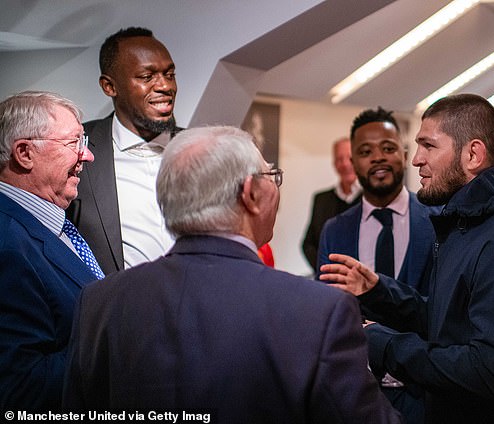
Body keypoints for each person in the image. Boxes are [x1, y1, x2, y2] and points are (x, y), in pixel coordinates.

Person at [62, 126, 401, 423]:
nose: (276, 187)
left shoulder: (99, 303)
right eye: (272, 176)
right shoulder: (319, 311)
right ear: (250, 194)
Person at [320, 94, 494, 424]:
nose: (416, 160)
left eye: (429, 146)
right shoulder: (467, 226)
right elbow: (447, 323)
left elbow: (493, 371)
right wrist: (380, 291)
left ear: (473, 155)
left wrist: (384, 343)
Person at [317, 107, 435, 424]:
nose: (378, 158)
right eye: (366, 152)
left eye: (388, 148)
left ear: (405, 154)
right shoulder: (336, 230)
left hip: (426, 393)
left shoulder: (436, 220)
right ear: (352, 162)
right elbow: (328, 312)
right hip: (358, 394)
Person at [0, 91, 101, 411]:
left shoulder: (51, 224)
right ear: (24, 153)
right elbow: (20, 389)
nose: (87, 156)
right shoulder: (7, 243)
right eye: (74, 143)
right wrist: (118, 342)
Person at [67, 27, 180, 275]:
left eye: (170, 74)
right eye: (147, 77)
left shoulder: (202, 146)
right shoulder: (76, 148)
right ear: (109, 86)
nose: (165, 86)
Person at [302, 137, 362, 272]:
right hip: (328, 278)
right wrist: (326, 270)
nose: (345, 164)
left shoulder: (371, 199)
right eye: (339, 159)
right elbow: (308, 244)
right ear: (334, 164)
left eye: (350, 158)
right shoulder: (321, 200)